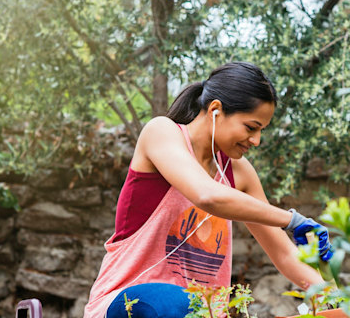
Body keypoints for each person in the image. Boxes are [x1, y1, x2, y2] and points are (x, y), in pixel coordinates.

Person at [84, 62, 333, 318]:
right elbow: (207, 196)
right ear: (215, 110)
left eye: (261, 131)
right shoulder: (161, 133)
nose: (256, 141)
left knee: (197, 309)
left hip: (200, 313)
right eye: (251, 127)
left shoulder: (239, 171)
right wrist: (291, 220)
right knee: (174, 303)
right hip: (127, 305)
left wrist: (335, 299)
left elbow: (285, 255)